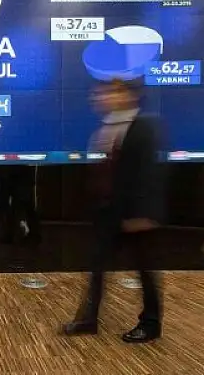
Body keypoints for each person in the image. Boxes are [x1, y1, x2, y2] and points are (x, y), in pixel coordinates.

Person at [62, 78, 165, 343]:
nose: (101, 98)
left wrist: (142, 214)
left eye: (108, 93)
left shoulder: (143, 128)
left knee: (145, 269)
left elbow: (148, 175)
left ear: (127, 95)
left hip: (135, 214)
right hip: (109, 211)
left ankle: (151, 323)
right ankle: (88, 319)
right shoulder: (106, 128)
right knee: (97, 266)